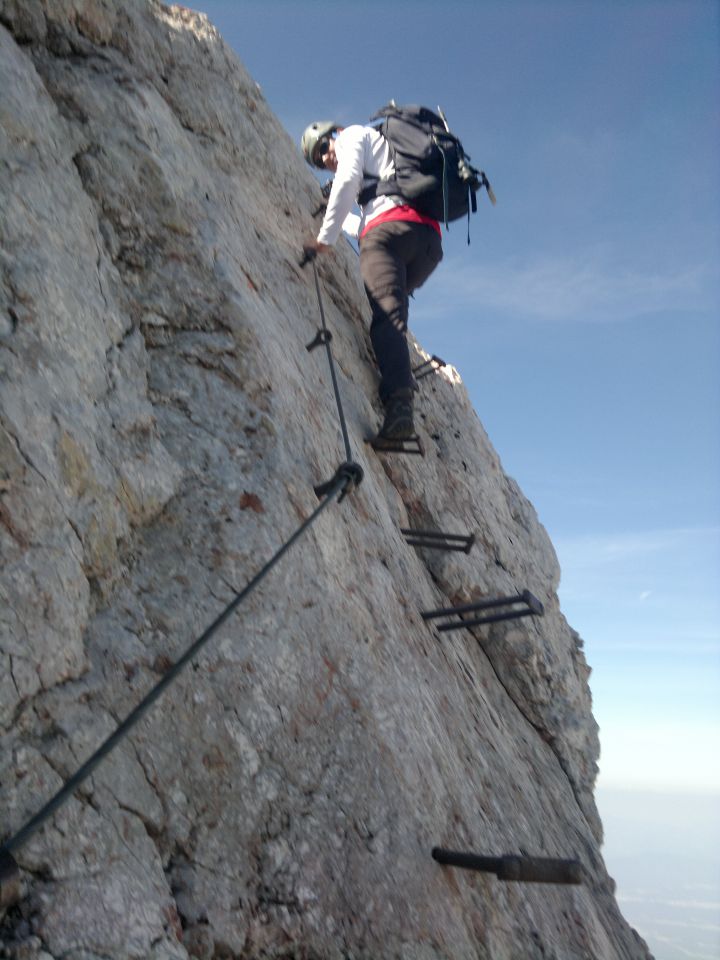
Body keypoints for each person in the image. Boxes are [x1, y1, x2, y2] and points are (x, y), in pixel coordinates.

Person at [301, 120, 443, 442]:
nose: (324, 159)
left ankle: (399, 410)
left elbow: (349, 181)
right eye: (317, 161)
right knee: (393, 310)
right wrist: (336, 216)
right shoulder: (385, 158)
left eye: (323, 148)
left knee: (386, 320)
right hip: (426, 243)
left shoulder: (352, 134)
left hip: (389, 234)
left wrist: (324, 239)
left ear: (334, 132)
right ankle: (396, 367)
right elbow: (366, 221)